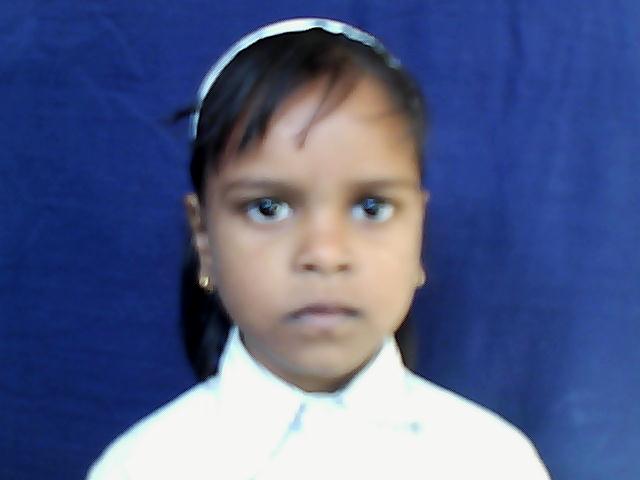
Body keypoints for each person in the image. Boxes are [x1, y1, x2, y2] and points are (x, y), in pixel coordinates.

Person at [87, 18, 550, 479]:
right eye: (268, 208)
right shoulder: (142, 467)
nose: (326, 255)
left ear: (418, 232)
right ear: (203, 237)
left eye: (372, 207)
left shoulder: (492, 461)